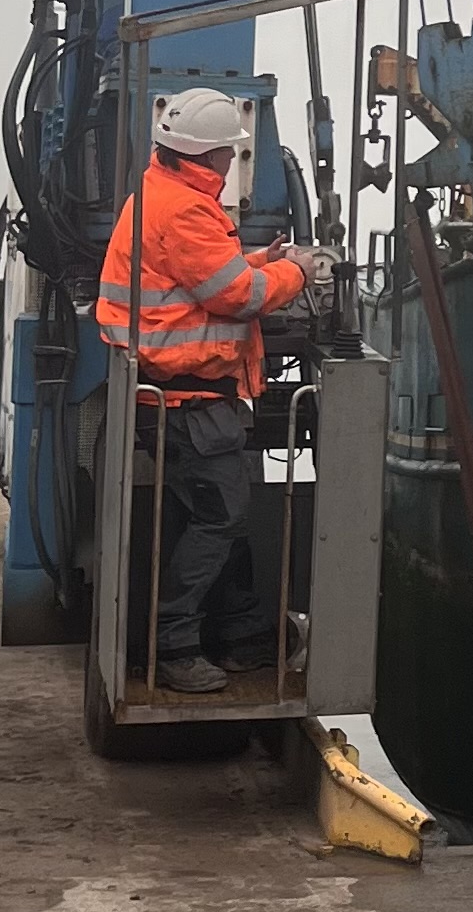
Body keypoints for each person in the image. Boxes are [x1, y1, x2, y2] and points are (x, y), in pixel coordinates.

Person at [92, 88, 334, 693]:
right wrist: (298, 270)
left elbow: (200, 275)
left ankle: (242, 635)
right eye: (230, 151)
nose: (233, 161)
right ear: (209, 155)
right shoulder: (186, 211)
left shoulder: (159, 194)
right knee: (220, 518)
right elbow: (238, 297)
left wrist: (259, 259)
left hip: (177, 399)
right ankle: (172, 646)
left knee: (217, 517)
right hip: (188, 403)